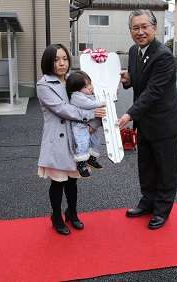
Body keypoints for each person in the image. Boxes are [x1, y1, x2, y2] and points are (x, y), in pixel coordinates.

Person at [118, 9, 177, 230]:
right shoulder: (134, 51)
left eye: (144, 26)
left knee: (165, 170)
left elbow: (153, 92)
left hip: (165, 124)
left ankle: (161, 210)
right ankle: (147, 203)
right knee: (146, 167)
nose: (140, 31)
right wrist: (128, 80)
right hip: (145, 123)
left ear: (154, 28)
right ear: (130, 32)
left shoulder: (163, 55)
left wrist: (128, 115)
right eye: (135, 28)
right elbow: (139, 83)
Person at [36, 44, 106, 235]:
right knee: (58, 181)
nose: (61, 63)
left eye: (65, 59)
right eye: (57, 59)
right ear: (49, 62)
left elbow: (91, 95)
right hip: (58, 139)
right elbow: (63, 109)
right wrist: (91, 112)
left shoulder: (73, 80)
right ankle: (56, 216)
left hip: (76, 137)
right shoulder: (44, 85)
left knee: (72, 181)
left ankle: (72, 213)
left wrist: (96, 119)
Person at [66, 70, 106, 178]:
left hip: (87, 123)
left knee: (96, 142)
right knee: (82, 143)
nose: (89, 87)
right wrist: (100, 103)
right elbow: (88, 104)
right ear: (77, 88)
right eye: (85, 87)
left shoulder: (87, 94)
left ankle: (92, 159)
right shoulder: (76, 95)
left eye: (89, 83)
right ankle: (81, 164)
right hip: (79, 125)